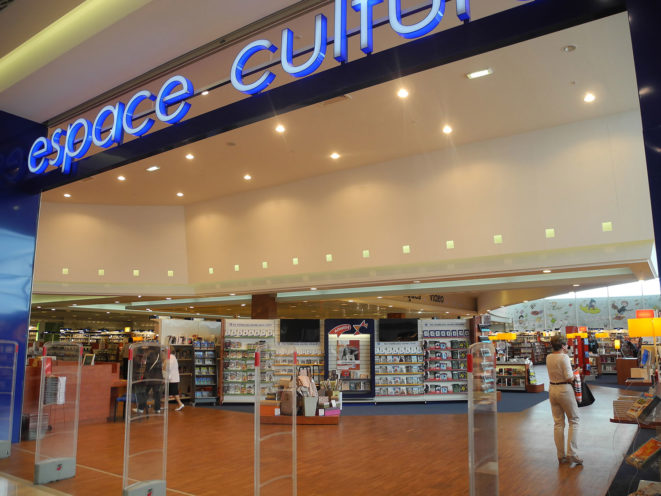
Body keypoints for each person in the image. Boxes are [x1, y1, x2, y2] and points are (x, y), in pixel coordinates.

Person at [546, 336, 582, 465]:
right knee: (574, 420)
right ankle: (572, 453)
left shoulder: (548, 357)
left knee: (558, 423)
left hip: (552, 389)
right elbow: (568, 377)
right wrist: (577, 372)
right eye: (566, 345)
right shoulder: (564, 357)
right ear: (562, 346)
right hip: (564, 390)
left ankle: (560, 455)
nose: (567, 347)